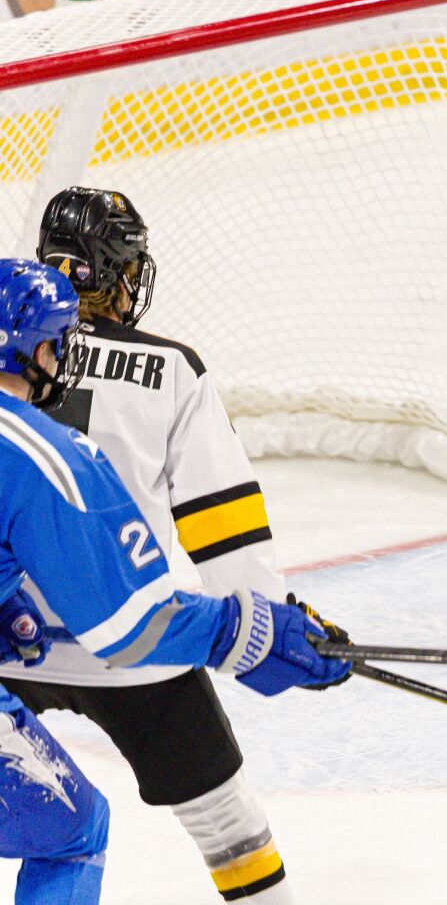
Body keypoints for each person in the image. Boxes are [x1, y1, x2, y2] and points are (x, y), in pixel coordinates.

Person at [1, 187, 323, 905]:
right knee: (226, 822)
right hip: (132, 635)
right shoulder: (172, 370)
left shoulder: (22, 357)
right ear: (120, 274)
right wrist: (265, 624)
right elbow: (222, 523)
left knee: (41, 812)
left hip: (12, 636)